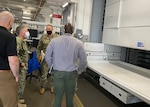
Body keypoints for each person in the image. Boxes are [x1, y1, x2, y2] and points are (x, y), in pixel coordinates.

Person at [45, 23, 87, 107]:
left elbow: (47, 56)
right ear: (73, 31)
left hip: (58, 72)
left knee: (57, 98)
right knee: (70, 98)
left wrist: (52, 67)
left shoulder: (54, 41)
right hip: (72, 74)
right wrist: (79, 71)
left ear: (63, 30)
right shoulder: (79, 43)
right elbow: (83, 61)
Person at [0, 11, 19, 107]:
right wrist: (16, 75)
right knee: (9, 103)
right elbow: (13, 61)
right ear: (10, 22)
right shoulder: (9, 37)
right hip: (4, 75)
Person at [36, 24, 58, 94]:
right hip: (45, 58)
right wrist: (38, 55)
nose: (48, 31)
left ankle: (53, 87)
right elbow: (38, 48)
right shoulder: (43, 37)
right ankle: (42, 87)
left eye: (50, 30)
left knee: (54, 74)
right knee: (44, 74)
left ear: (52, 30)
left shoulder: (57, 37)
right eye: (47, 30)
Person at [16, 24, 30, 106]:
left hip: (23, 67)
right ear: (22, 32)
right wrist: (21, 62)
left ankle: (18, 99)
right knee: (20, 84)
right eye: (26, 30)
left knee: (21, 83)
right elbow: (15, 53)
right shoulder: (18, 40)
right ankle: (16, 103)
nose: (28, 32)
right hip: (20, 67)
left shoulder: (22, 41)